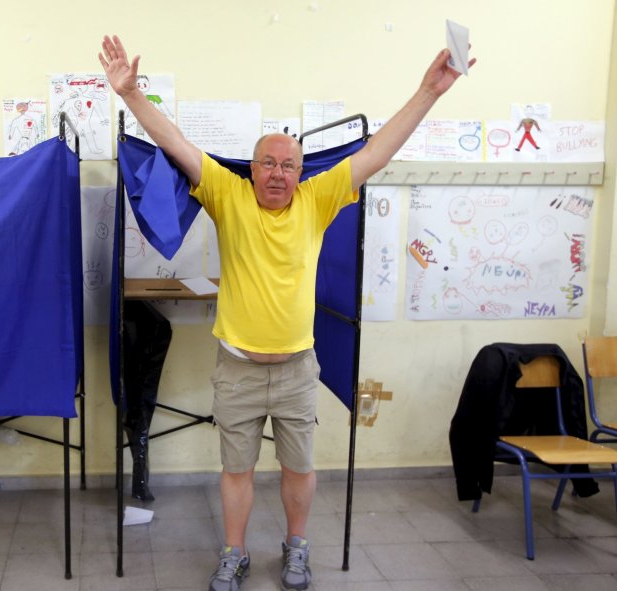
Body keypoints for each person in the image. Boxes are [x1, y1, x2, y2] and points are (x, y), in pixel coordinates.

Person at [99, 34, 475, 591]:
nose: (278, 174)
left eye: (289, 165)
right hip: (238, 370)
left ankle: (296, 548)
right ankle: (234, 553)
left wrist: (429, 91)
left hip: (299, 370)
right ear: (251, 169)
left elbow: (376, 153)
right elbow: (174, 142)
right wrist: (131, 95)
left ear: (301, 172)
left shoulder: (318, 201)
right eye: (268, 163)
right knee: (237, 471)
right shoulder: (227, 195)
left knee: (300, 470)